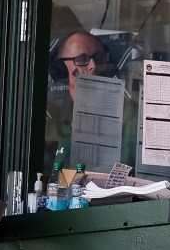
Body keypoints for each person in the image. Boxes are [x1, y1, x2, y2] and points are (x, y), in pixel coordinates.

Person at [46, 31, 137, 169]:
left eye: (99, 58)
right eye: (82, 60)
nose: (93, 65)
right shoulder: (52, 127)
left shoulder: (130, 119)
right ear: (60, 70)